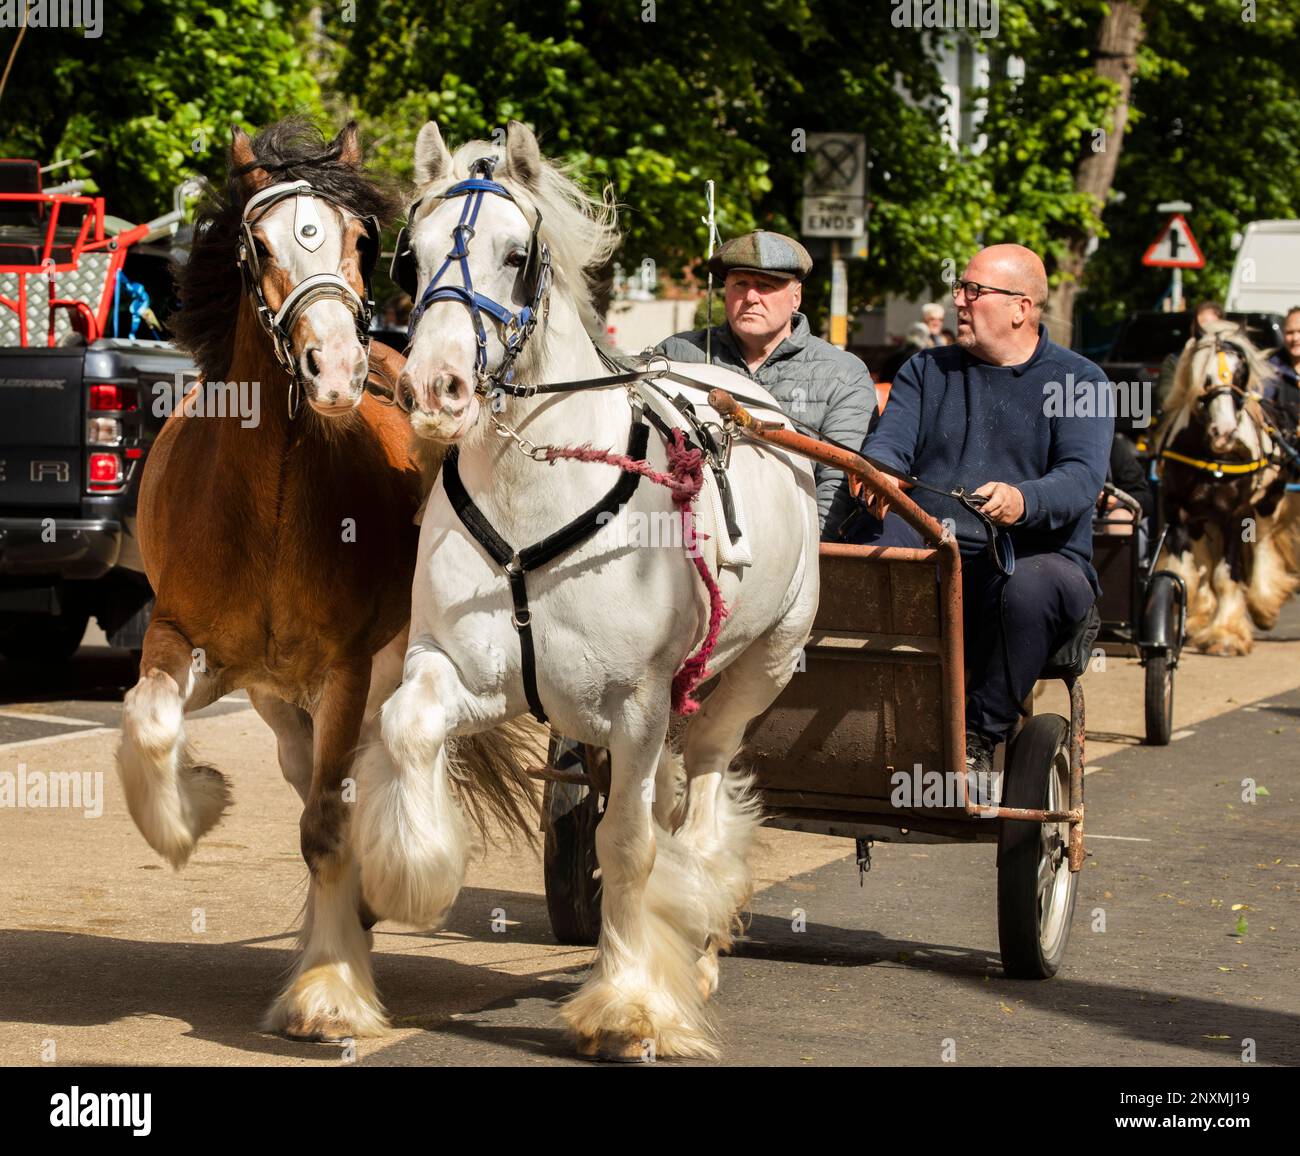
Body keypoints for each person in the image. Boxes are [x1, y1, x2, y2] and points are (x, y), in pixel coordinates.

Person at [852, 244, 1112, 780]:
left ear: (1021, 307)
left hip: (1037, 556)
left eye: (973, 290)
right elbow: (891, 444)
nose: (959, 301)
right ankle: (874, 714)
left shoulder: (1082, 381)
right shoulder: (925, 369)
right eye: (959, 289)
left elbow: (1082, 479)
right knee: (879, 548)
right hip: (934, 541)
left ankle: (977, 736)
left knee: (1032, 585)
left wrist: (1024, 500)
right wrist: (878, 470)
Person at [656, 229, 875, 538]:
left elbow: (836, 484)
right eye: (740, 284)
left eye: (766, 286)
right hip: (689, 541)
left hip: (790, 546)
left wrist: (807, 557)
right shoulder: (676, 355)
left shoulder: (843, 375)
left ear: (796, 296)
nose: (750, 298)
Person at [1264, 306, 1300, 436]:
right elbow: (1260, 405)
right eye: (1290, 332)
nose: (1295, 338)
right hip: (1284, 448)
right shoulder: (1271, 369)